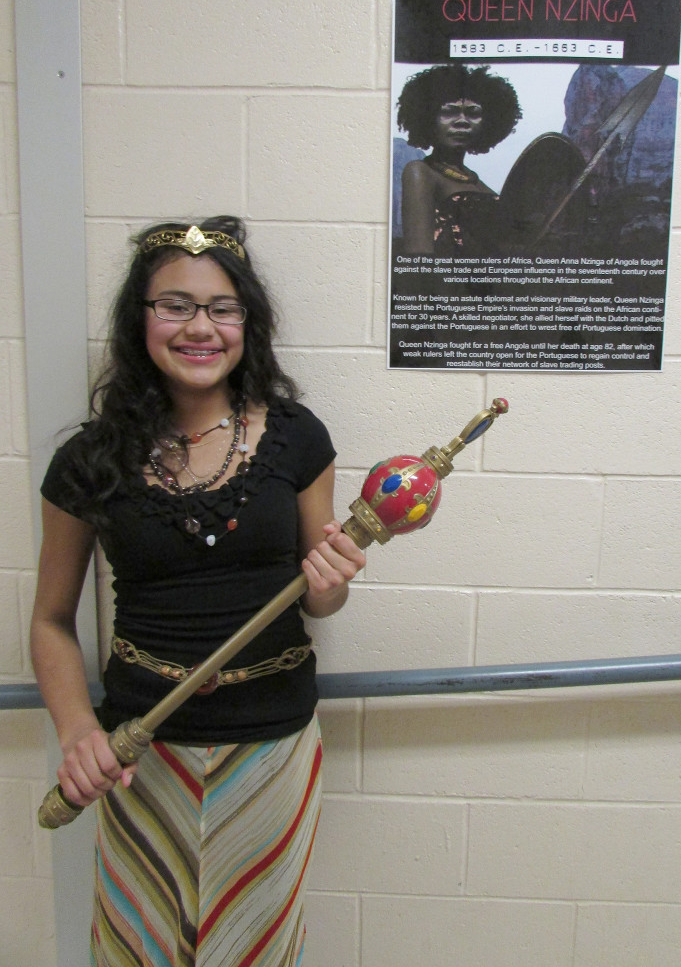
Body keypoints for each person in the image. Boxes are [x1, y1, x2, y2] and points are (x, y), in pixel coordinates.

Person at [30, 216, 366, 967]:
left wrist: (332, 584)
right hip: (140, 749)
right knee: (139, 948)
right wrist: (79, 732)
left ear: (248, 321)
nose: (200, 327)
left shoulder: (298, 438)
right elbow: (51, 621)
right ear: (139, 320)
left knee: (255, 949)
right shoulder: (89, 459)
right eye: (174, 305)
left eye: (222, 308)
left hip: (273, 745)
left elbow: (319, 601)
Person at [395, 64, 522, 255]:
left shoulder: (478, 183)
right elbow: (419, 260)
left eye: (473, 113)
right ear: (428, 117)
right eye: (449, 112)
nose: (462, 121)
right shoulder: (420, 172)